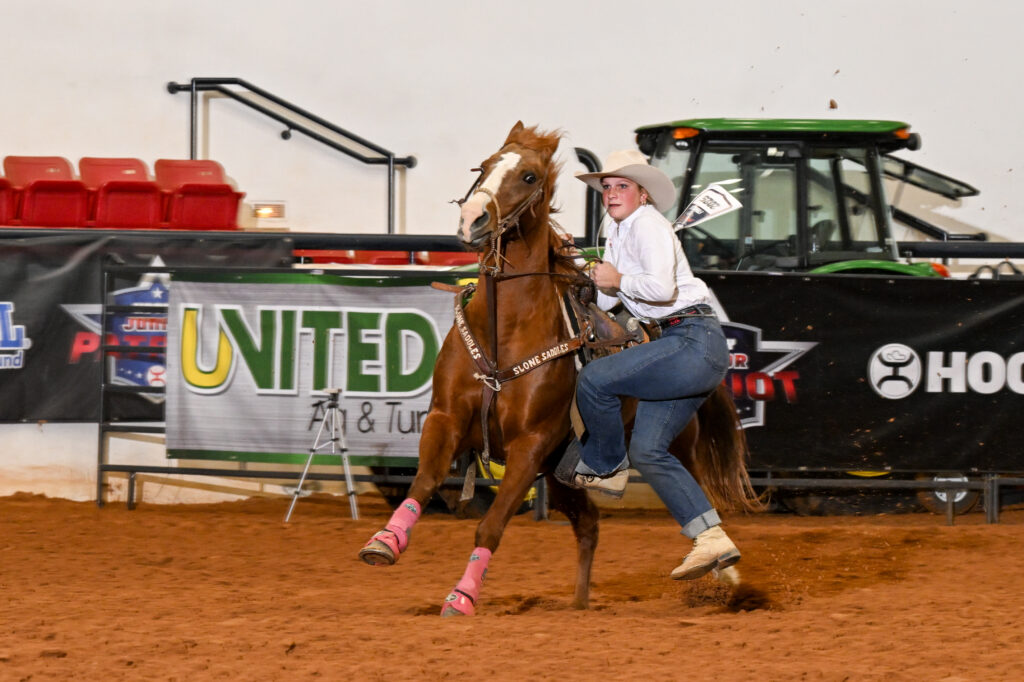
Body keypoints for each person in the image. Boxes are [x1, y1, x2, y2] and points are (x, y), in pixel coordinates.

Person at [554, 149, 740, 581]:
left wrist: (617, 278)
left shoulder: (647, 224)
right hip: (690, 344)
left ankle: (604, 467)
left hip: (691, 339)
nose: (611, 193)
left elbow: (659, 288)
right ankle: (710, 538)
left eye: (621, 186)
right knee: (649, 450)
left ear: (642, 194)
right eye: (606, 187)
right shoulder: (622, 231)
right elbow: (607, 300)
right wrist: (588, 269)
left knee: (597, 379)